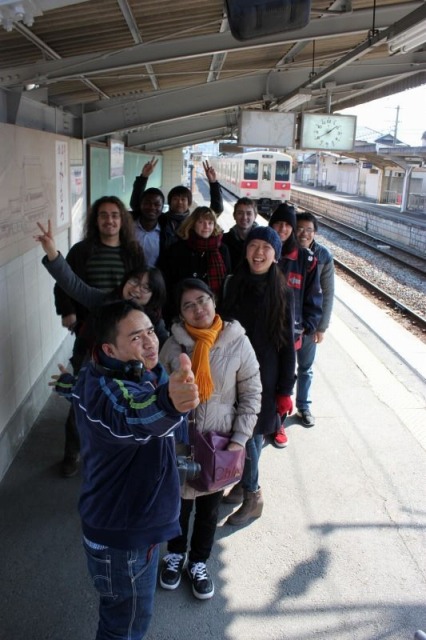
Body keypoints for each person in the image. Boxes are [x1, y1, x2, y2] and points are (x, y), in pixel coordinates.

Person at [51, 299, 199, 640]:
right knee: (125, 628)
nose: (150, 341)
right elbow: (133, 414)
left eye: (150, 331)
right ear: (109, 348)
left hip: (119, 527)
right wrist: (170, 402)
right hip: (126, 539)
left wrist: (65, 385)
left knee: (121, 619)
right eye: (136, 337)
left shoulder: (103, 371)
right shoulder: (111, 392)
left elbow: (85, 391)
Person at [159, 278, 262, 599]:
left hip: (219, 442)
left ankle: (199, 562)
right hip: (180, 441)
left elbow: (252, 392)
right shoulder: (172, 346)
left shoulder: (237, 341)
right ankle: (174, 555)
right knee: (177, 506)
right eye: (188, 305)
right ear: (180, 313)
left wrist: (239, 439)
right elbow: (157, 390)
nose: (197, 309)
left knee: (208, 509)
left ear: (214, 301)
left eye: (202, 300)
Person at [53, 196, 145, 477]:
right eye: (103, 215)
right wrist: (67, 311)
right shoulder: (82, 250)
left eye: (115, 215)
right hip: (90, 331)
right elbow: (65, 283)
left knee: (125, 392)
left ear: (122, 220)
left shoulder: (132, 251)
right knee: (81, 393)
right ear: (96, 221)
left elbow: (143, 287)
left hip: (125, 336)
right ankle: (73, 452)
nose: (110, 220)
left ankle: (118, 450)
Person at [220, 227, 295, 526]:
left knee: (249, 434)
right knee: (243, 433)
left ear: (276, 255)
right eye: (254, 245)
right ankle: (242, 484)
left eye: (266, 247)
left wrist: (285, 389)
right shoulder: (233, 283)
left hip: (264, 377)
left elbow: (288, 343)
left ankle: (253, 495)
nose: (259, 252)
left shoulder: (283, 292)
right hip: (233, 372)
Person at [35, 220, 169, 347]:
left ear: (154, 296)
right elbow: (73, 284)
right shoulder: (104, 300)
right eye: (134, 280)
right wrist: (51, 251)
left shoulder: (155, 323)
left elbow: (165, 352)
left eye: (146, 287)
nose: (136, 289)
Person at [268, 202, 322, 448]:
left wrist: (310, 324)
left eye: (287, 225)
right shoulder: (262, 250)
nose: (282, 229)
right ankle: (262, 421)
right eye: (278, 223)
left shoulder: (306, 259)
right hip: (262, 331)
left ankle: (278, 423)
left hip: (292, 334)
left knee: (285, 380)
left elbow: (314, 295)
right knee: (261, 378)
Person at [130, 159, 223, 252]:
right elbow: (136, 205)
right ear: (169, 202)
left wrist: (213, 183)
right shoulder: (161, 220)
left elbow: (216, 210)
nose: (180, 202)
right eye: (175, 199)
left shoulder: (194, 221)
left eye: (183, 199)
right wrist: (143, 177)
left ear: (189, 203)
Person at [295, 211, 335, 427]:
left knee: (305, 367)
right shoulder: (286, 251)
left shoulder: (324, 256)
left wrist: (322, 327)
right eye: (300, 228)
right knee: (282, 368)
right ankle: (278, 411)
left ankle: (303, 406)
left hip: (310, 323)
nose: (304, 233)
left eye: (309, 230)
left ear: (315, 233)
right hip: (287, 323)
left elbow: (328, 293)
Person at [159, 206, 231, 323]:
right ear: (192, 224)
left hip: (217, 313)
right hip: (185, 314)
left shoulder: (222, 249)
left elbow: (228, 281)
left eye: (210, 222)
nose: (206, 226)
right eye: (201, 222)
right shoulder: (177, 249)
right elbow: (168, 283)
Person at [222, 197, 259, 271]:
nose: (244, 217)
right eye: (240, 213)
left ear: (255, 216)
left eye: (249, 213)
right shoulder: (223, 240)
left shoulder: (263, 241)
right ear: (234, 216)